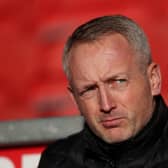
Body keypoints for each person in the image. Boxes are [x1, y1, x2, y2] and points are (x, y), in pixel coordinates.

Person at [38, 15, 168, 168]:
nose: (106, 105)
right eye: (89, 90)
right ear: (74, 99)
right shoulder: (57, 162)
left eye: (118, 82)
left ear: (153, 80)